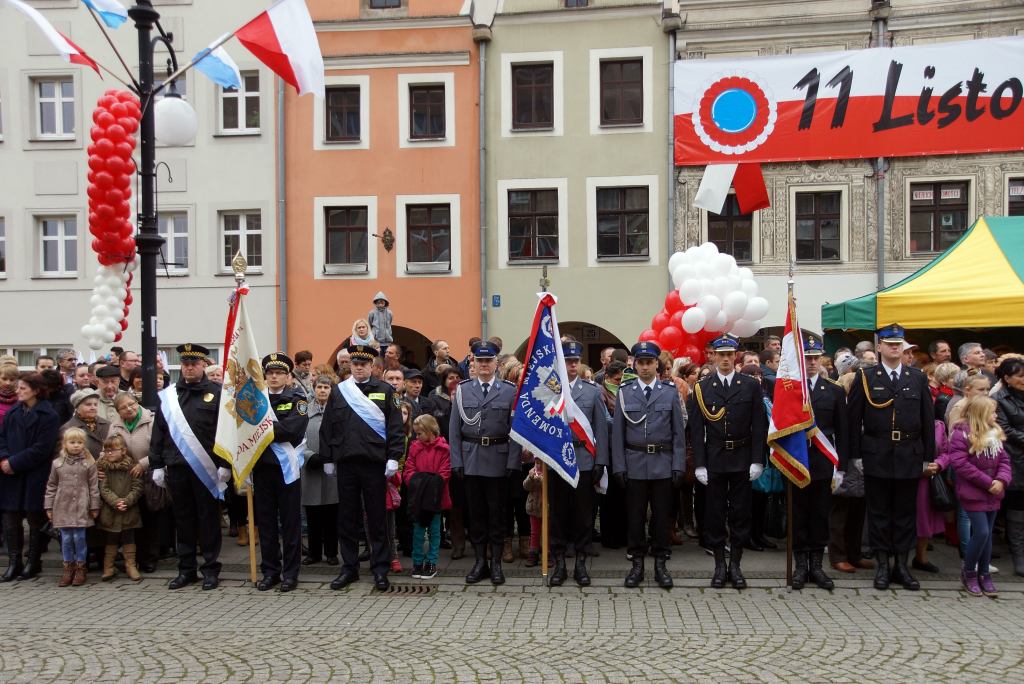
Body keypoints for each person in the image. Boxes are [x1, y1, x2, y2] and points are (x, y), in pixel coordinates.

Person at [848, 324, 935, 591]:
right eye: (890, 343)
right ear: (880, 347)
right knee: (879, 514)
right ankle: (883, 566)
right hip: (877, 454)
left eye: (899, 343)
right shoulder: (866, 377)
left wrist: (927, 456)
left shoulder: (916, 377)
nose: (895, 347)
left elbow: (927, 420)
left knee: (905, 514)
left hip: (909, 454)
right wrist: (855, 456)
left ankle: (902, 566)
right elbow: (854, 420)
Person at [320, 345, 405, 592]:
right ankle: (349, 568)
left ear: (372, 366)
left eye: (363, 364)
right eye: (355, 363)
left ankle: (380, 568)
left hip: (374, 464)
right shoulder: (339, 392)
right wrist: (327, 458)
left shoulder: (385, 390)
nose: (359, 367)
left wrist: (393, 457)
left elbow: (395, 426)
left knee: (377, 519)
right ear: (350, 366)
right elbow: (328, 428)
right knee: (347, 519)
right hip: (347, 463)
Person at [689, 334, 767, 590]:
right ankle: (720, 566)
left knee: (741, 514)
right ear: (713, 356)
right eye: (720, 354)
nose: (724, 359)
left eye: (729, 355)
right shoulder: (703, 387)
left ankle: (736, 565)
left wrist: (757, 460)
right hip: (714, 459)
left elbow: (759, 426)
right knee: (714, 514)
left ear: (736, 357)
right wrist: (699, 464)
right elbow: (696, 430)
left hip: (742, 458)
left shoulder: (750, 385)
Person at [148, 343, 228, 591]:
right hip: (178, 467)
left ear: (204, 365)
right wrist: (157, 464)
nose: (189, 368)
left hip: (207, 469)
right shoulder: (170, 396)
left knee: (208, 521)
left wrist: (226, 464)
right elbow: (158, 431)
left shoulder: (217, 393)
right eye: (185, 364)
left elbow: (225, 432)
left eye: (194, 364)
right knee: (183, 520)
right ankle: (186, 569)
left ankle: (211, 569)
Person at [612, 341, 686, 590]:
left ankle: (661, 565)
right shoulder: (625, 391)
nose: (644, 367)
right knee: (634, 518)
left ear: (657, 364)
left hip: (663, 464)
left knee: (662, 518)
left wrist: (678, 465)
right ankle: (637, 565)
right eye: (640, 362)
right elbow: (618, 435)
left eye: (649, 362)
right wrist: (619, 466)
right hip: (634, 464)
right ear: (634, 364)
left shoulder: (669, 391)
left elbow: (678, 433)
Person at [450, 340, 523, 586]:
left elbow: (516, 431)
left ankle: (496, 564)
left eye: (488, 361)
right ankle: (480, 560)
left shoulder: (509, 390)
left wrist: (513, 462)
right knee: (476, 515)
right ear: (473, 362)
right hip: (471, 460)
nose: (483, 365)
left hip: (499, 460)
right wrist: (456, 461)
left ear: (496, 363)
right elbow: (454, 431)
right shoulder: (462, 390)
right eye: (479, 361)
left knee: (498, 515)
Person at [932, 396, 1011, 596]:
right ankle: (969, 571)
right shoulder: (962, 434)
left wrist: (1001, 480)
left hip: (994, 492)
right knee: (981, 532)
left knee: (988, 535)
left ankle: (985, 574)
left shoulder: (994, 433)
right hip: (974, 492)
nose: (996, 415)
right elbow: (961, 464)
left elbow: (1004, 460)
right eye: (993, 411)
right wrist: (988, 482)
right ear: (980, 413)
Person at [549, 341, 610, 587]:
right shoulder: (550, 390)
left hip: (584, 459)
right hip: (557, 460)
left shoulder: (592, 391)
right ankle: (560, 563)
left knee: (584, 516)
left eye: (575, 361)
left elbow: (601, 429)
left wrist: (601, 461)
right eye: (567, 361)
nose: (572, 365)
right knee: (558, 515)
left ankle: (581, 563)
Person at [791, 333, 848, 591]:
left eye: (815, 358)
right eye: (807, 358)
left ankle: (816, 565)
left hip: (823, 461)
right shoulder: (789, 391)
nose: (811, 363)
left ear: (821, 360)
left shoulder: (834, 391)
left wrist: (841, 468)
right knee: (798, 514)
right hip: (796, 459)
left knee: (819, 514)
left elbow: (842, 431)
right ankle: (800, 565)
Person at [253, 353, 309, 593]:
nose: (274, 377)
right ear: (265, 376)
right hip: (262, 468)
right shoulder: (255, 401)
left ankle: (291, 573)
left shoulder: (297, 399)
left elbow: (292, 430)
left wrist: (262, 427)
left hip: (285, 469)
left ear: (288, 377)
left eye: (279, 373)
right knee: (265, 523)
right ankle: (270, 571)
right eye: (270, 373)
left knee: (290, 523)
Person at [0, 372, 61, 581]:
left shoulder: (49, 415)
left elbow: (42, 448)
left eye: (22, 388)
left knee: (35, 518)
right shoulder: (13, 412)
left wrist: (14, 462)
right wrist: (4, 459)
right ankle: (14, 562)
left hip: (35, 473)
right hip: (11, 475)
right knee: (11, 518)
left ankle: (33, 562)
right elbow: (2, 438)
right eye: (18, 388)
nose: (18, 391)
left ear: (36, 390)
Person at [109, 393, 166, 574]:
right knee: (132, 519)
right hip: (126, 477)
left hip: (149, 474)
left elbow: (161, 447)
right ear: (118, 411)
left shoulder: (152, 420)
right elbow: (109, 448)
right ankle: (133, 559)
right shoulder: (115, 425)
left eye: (132, 404)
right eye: (124, 407)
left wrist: (143, 464)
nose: (130, 409)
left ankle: (150, 558)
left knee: (151, 518)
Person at [43, 427, 100, 587]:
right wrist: (49, 507)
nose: (76, 445)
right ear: (65, 444)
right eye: (72, 442)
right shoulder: (58, 464)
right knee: (66, 539)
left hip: (81, 506)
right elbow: (51, 486)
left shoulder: (89, 464)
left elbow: (94, 487)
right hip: (62, 506)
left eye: (79, 442)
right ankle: (68, 567)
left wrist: (94, 506)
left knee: (79, 538)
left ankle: (81, 567)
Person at [403, 414, 451, 580]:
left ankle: (431, 561)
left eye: (420, 433)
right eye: (416, 434)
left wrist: (428, 483)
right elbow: (408, 471)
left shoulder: (443, 449)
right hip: (418, 498)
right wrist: (419, 482)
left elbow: (445, 472)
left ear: (431, 431)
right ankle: (417, 561)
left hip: (435, 498)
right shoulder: (415, 447)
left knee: (435, 531)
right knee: (417, 531)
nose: (417, 437)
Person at [301, 374, 339, 567]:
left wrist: (331, 456)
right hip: (311, 469)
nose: (323, 390)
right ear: (313, 389)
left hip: (332, 469)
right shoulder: (304, 411)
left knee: (331, 514)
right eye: (319, 387)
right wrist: (309, 456)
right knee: (313, 515)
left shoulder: (338, 411)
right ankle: (314, 553)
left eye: (326, 387)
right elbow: (299, 439)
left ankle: (331, 552)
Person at [95, 434, 143, 582]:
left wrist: (127, 501)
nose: (109, 453)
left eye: (113, 450)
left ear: (123, 451)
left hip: (129, 509)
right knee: (111, 539)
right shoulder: (103, 468)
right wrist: (116, 502)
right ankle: (108, 567)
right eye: (107, 450)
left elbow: (138, 487)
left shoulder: (131, 467)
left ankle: (131, 565)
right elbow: (104, 489)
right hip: (110, 510)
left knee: (129, 537)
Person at [993, 357, 1024, 577]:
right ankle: (1019, 558)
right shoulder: (998, 399)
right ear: (1007, 378)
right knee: (1016, 512)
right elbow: (1004, 429)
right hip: (1015, 460)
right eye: (1020, 376)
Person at [62, 389, 111, 460]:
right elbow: (61, 460)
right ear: (77, 407)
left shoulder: (108, 424)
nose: (93, 407)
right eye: (88, 404)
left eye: (95, 404)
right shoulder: (67, 429)